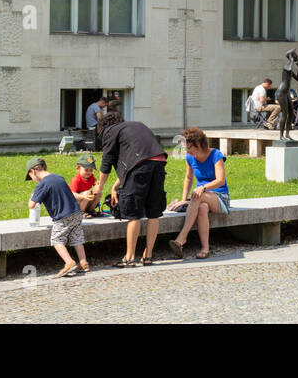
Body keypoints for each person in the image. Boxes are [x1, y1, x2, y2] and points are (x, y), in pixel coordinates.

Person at [94, 113, 168, 266]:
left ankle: (129, 258)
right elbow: (139, 160)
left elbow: (107, 161)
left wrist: (99, 187)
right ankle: (148, 256)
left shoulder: (110, 131)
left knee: (134, 214)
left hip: (140, 167)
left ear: (103, 128)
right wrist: (115, 186)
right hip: (159, 163)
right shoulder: (136, 126)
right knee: (153, 212)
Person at [168, 127, 230, 260]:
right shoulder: (190, 158)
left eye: (189, 147)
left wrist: (203, 187)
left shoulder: (216, 155)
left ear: (199, 144)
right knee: (202, 208)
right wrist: (184, 200)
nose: (186, 151)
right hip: (200, 198)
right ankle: (205, 248)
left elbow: (220, 180)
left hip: (220, 197)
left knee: (198, 195)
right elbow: (188, 178)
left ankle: (181, 239)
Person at [25, 157, 88, 277]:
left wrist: (33, 195)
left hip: (62, 217)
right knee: (76, 238)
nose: (33, 180)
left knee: (56, 240)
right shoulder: (59, 177)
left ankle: (69, 262)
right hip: (76, 213)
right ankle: (83, 262)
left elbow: (31, 205)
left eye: (31, 177)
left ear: (33, 171)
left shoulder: (42, 184)